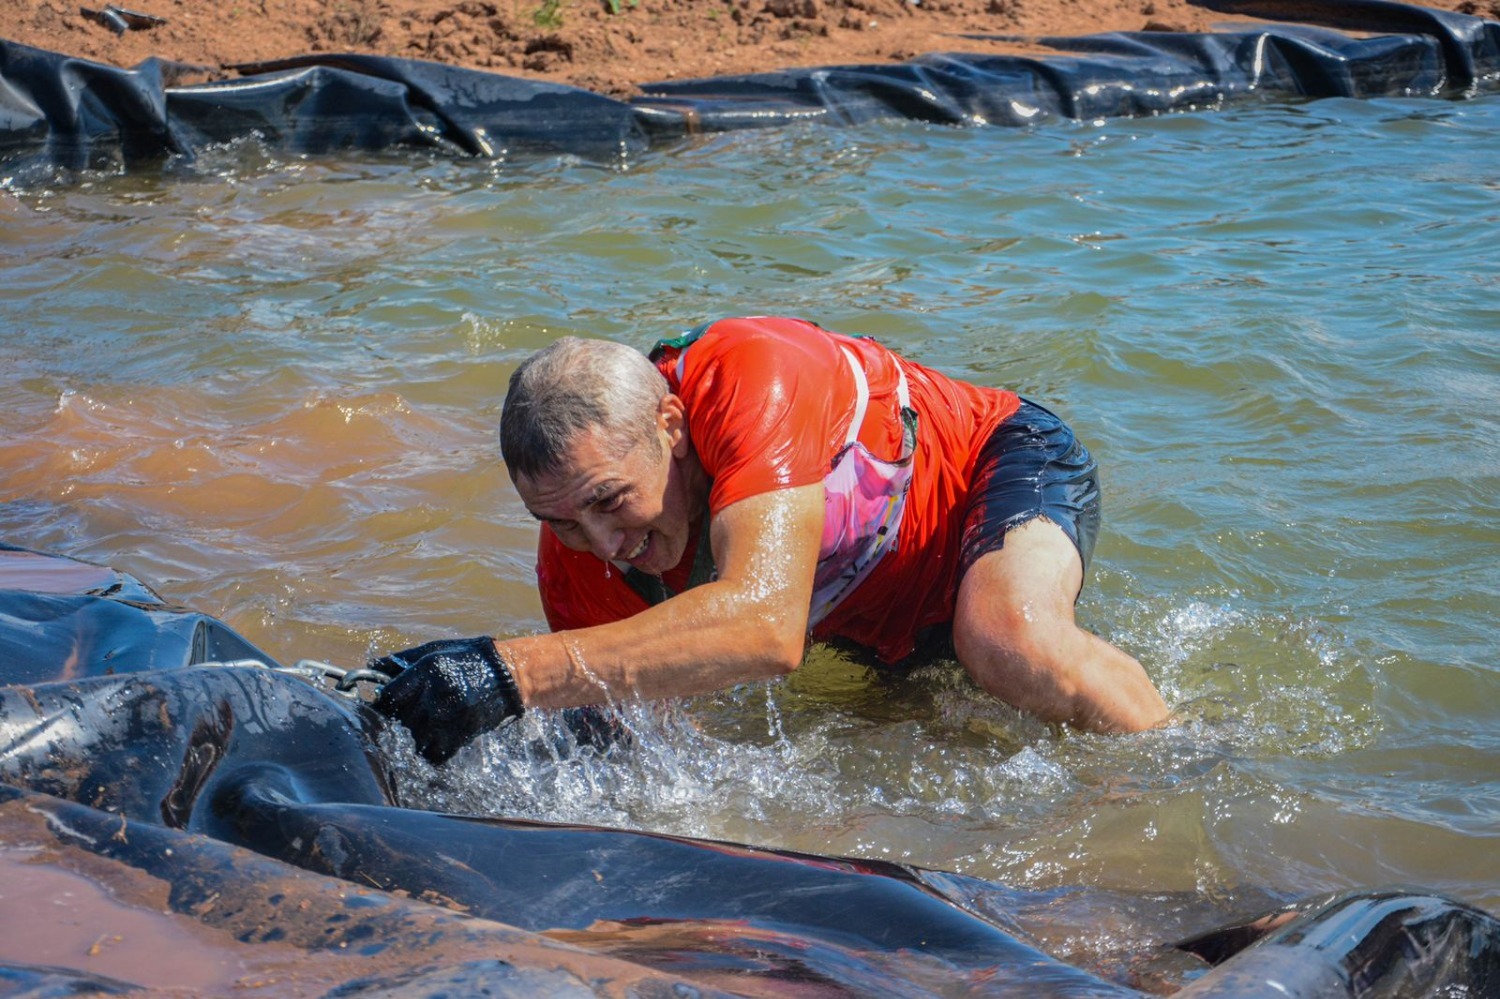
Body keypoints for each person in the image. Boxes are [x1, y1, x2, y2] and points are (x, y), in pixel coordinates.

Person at [372, 316, 1169, 764]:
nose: (603, 543)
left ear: (671, 425)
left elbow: (765, 627)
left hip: (993, 469)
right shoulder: (577, 556)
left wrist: (505, 670)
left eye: (610, 501)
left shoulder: (752, 375)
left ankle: (1182, 766)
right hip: (884, 627)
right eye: (559, 523)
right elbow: (646, 737)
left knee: (1005, 637)